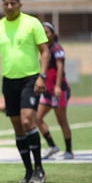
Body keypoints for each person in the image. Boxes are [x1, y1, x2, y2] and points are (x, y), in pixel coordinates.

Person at [0, 0, 50, 183]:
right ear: (3, 5)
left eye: (13, 3)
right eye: (6, 3)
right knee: (17, 126)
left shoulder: (32, 23)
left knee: (28, 119)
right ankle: (28, 171)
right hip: (9, 81)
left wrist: (42, 76)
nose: (10, 6)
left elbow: (45, 52)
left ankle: (39, 169)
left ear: (20, 5)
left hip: (30, 79)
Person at [37, 22, 73, 160]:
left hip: (59, 90)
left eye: (47, 32)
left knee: (61, 120)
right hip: (47, 91)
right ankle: (52, 145)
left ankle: (69, 150)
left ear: (53, 34)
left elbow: (59, 68)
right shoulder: (43, 49)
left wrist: (57, 86)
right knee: (37, 118)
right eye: (43, 32)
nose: (45, 35)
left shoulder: (56, 48)